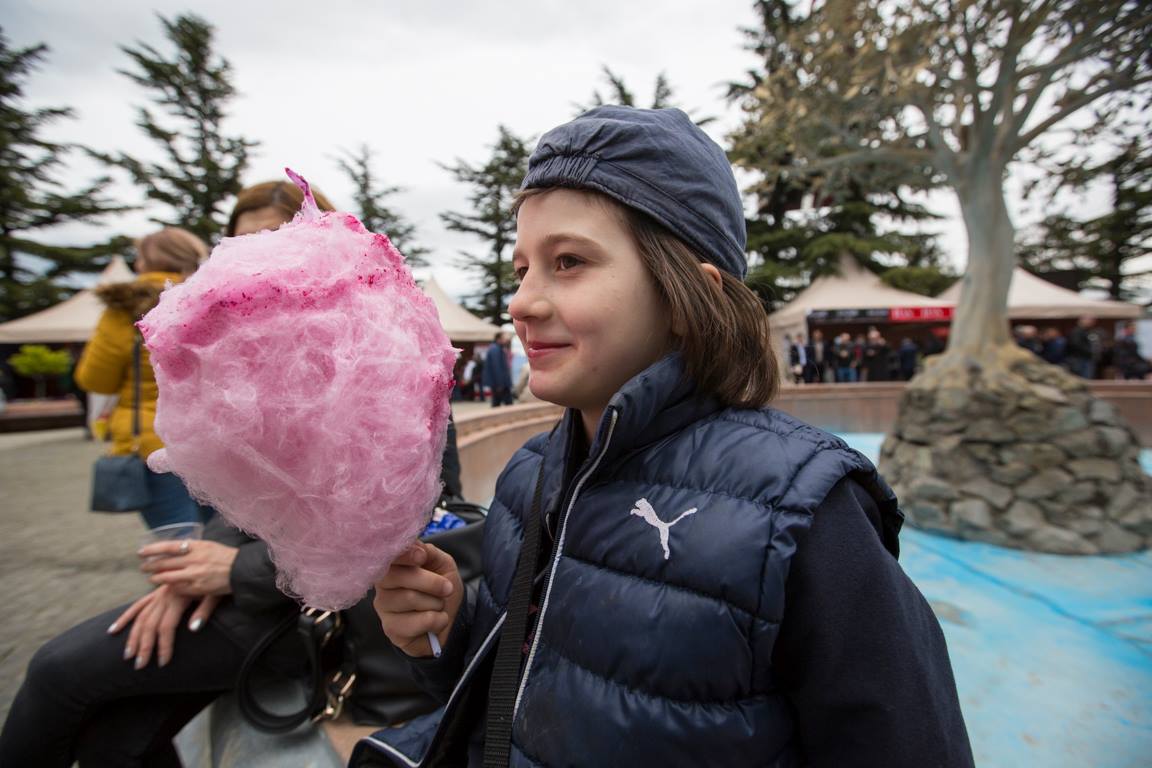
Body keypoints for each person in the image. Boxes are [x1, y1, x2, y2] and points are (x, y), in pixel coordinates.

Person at [365, 107, 972, 767]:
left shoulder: (803, 514)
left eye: (568, 262)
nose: (522, 302)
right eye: (522, 269)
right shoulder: (528, 477)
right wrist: (449, 632)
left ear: (688, 297)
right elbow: (519, 704)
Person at [0, 181, 464, 767]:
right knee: (115, 737)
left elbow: (425, 512)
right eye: (240, 245)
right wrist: (189, 576)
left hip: (314, 617)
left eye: (274, 237)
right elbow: (233, 503)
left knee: (58, 674)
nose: (254, 262)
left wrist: (235, 572)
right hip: (244, 599)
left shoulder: (387, 366)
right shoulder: (233, 374)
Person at [75, 228, 213, 530]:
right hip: (210, 440)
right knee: (221, 537)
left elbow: (95, 380)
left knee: (177, 537)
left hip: (151, 440)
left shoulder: (125, 308)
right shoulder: (213, 300)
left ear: (144, 262)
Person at [482, 331, 514, 406]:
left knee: (498, 403)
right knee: (504, 403)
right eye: (504, 338)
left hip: (500, 383)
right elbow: (496, 367)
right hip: (500, 383)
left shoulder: (497, 348)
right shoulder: (495, 349)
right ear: (498, 339)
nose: (506, 340)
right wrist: (499, 384)